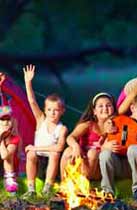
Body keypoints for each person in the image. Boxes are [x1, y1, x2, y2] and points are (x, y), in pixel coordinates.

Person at [23, 65, 68, 197]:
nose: (52, 113)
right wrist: (28, 82)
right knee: (30, 154)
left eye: (56, 110)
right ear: (44, 110)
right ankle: (31, 189)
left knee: (54, 154)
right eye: (49, 109)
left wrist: (36, 147)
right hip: (38, 157)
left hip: (51, 159)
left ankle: (47, 187)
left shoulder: (62, 128)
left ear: (62, 111)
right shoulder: (41, 120)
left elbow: (59, 148)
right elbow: (31, 101)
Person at [99, 94, 137, 198]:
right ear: (133, 108)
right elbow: (104, 145)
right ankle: (107, 192)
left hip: (136, 168)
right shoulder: (119, 121)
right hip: (118, 165)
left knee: (134, 149)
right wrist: (106, 146)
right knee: (105, 155)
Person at [60, 92, 116, 181]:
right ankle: (64, 185)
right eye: (100, 106)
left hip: (98, 167)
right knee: (68, 151)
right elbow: (70, 137)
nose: (105, 108)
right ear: (94, 111)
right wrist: (76, 147)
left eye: (108, 105)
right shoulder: (88, 124)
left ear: (113, 108)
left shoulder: (117, 126)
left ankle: (83, 185)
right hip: (82, 161)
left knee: (93, 153)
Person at [0, 105, 20, 194]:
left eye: (8, 120)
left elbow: (5, 156)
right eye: (2, 120)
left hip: (7, 166)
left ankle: (10, 179)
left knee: (8, 157)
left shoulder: (14, 138)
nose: (6, 123)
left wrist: (1, 139)